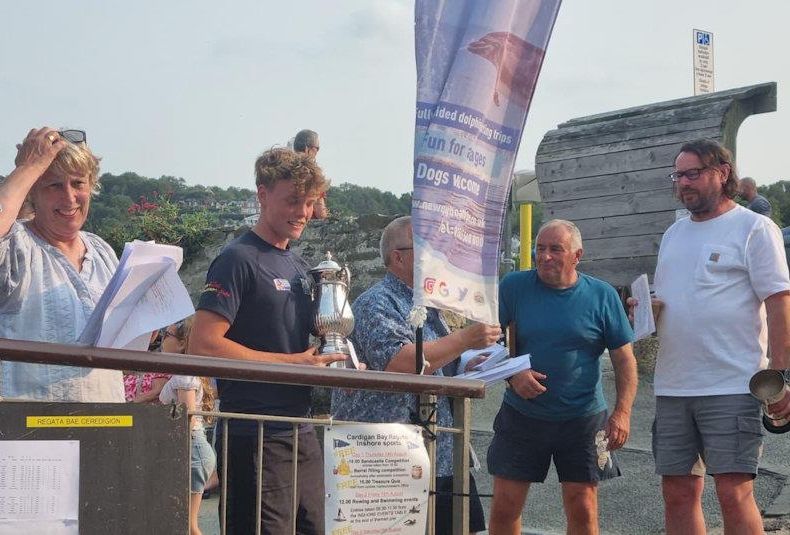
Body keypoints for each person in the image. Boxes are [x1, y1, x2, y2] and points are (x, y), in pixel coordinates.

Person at [630, 139, 790, 535]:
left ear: (722, 172)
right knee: (678, 492)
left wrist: (782, 376)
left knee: (734, 494)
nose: (683, 182)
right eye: (678, 175)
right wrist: (646, 309)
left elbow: (779, 303)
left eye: (693, 173)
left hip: (733, 384)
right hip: (673, 385)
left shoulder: (754, 228)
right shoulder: (673, 234)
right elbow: (671, 300)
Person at [188, 147, 345, 534]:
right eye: (293, 200)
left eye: (309, 202)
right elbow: (202, 344)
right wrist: (295, 364)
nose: (303, 212)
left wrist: (344, 359)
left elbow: (315, 338)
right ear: (262, 194)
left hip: (300, 426)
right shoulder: (237, 259)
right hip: (252, 430)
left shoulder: (296, 262)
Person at [331, 215, 501, 535]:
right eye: (427, 249)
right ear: (398, 257)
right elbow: (401, 362)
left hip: (439, 452)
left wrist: (465, 361)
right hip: (389, 459)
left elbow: (435, 356)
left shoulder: (426, 303)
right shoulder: (376, 302)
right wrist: (463, 339)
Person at [488, 219, 637, 535]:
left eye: (556, 249)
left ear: (577, 255)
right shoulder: (513, 287)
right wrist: (514, 373)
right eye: (539, 249)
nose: (545, 256)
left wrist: (622, 412)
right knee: (504, 506)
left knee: (583, 508)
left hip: (582, 418)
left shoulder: (602, 295)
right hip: (522, 415)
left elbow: (625, 361)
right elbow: (488, 341)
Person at [0, 127, 124, 402]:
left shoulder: (102, 251)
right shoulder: (16, 246)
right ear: (31, 193)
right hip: (30, 431)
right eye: (53, 185)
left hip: (106, 423)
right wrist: (29, 167)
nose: (69, 197)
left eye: (78, 183)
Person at [159, 316, 216, 535]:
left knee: (188, 526)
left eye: (168, 335)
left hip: (192, 448)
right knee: (186, 524)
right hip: (193, 448)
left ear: (182, 343)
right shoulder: (183, 372)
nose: (163, 339)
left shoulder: (184, 373)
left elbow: (188, 416)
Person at [293, 129, 328, 220]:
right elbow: (320, 213)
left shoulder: (282, 170)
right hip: (303, 225)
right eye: (317, 148)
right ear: (308, 149)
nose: (317, 152)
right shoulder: (313, 174)